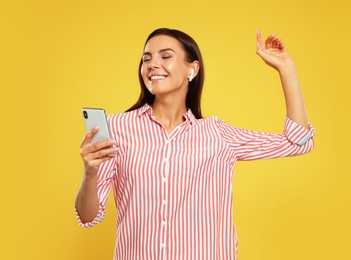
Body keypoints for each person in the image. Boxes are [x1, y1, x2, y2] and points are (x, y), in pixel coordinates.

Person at [75, 28, 315, 259]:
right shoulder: (117, 128)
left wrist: (287, 69)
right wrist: (90, 172)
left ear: (192, 68)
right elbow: (88, 217)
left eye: (166, 56)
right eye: (146, 59)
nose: (152, 64)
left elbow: (298, 142)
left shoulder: (217, 134)